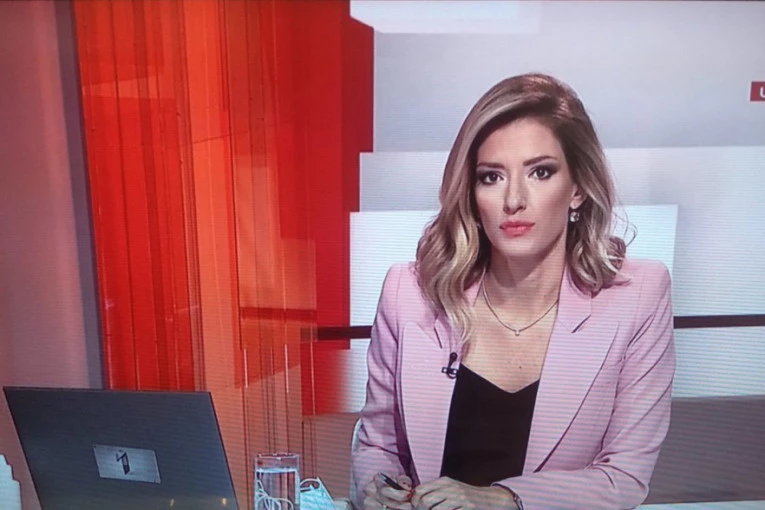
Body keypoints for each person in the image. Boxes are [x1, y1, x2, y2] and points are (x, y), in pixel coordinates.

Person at [350, 73, 676, 510]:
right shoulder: (408, 293)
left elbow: (624, 477)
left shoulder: (638, 296)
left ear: (578, 187)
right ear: (471, 192)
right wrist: (377, 488)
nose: (514, 200)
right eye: (491, 177)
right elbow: (378, 446)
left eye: (540, 172)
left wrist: (503, 499)